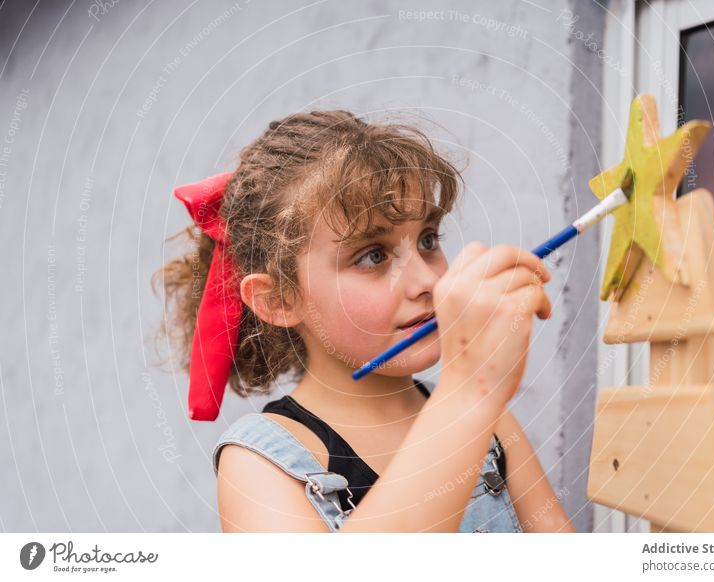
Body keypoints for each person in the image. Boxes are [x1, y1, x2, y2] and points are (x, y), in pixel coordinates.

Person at [154, 110, 575, 533]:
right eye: (373, 255)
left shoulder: (493, 425)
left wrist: (476, 396)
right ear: (279, 299)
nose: (429, 281)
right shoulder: (261, 463)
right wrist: (468, 391)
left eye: (428, 240)